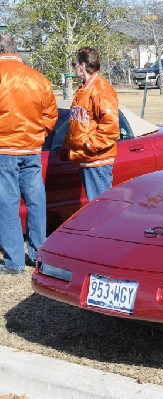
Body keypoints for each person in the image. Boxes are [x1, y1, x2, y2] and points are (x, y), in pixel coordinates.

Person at [0, 34, 58, 275]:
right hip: (32, 149)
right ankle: (38, 255)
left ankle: (14, 261)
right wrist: (38, 135)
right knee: (36, 202)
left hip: (4, 150)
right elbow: (51, 115)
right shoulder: (38, 79)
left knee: (7, 204)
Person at [63, 47, 119, 201]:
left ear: (82, 65)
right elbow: (79, 123)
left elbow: (111, 128)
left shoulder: (100, 90)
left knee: (101, 209)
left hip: (97, 160)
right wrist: (68, 144)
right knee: (95, 208)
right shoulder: (84, 89)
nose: (74, 67)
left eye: (75, 63)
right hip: (86, 159)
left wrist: (88, 145)